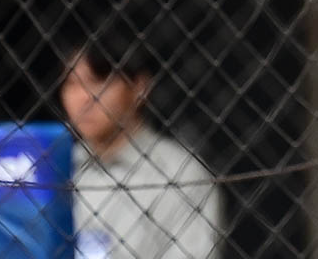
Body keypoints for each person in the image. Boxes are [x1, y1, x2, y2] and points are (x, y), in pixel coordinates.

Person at [60, 24, 222, 259]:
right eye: (72, 84)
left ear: (139, 87)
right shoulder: (56, 167)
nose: (84, 97)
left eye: (98, 81)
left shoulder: (181, 173)